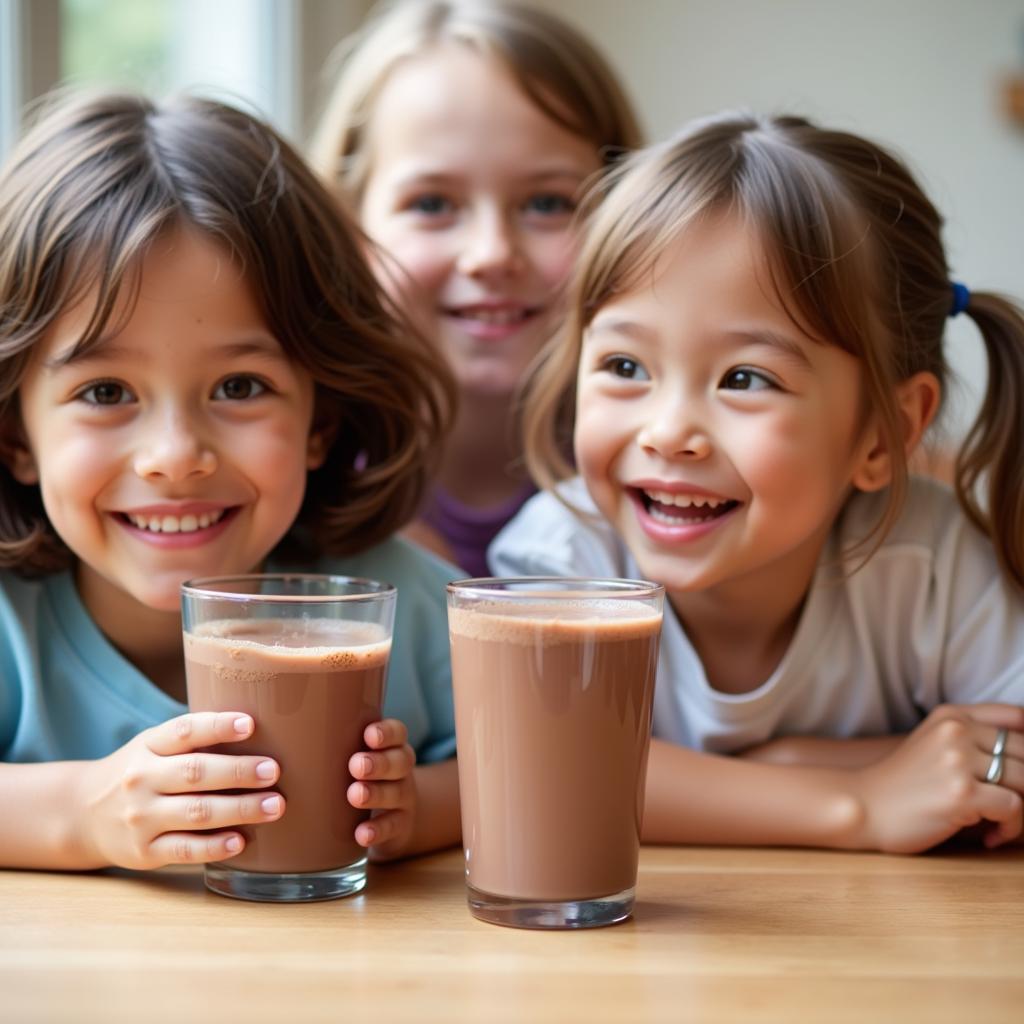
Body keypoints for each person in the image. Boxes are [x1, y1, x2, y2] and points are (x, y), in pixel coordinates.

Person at [491, 111, 1024, 853]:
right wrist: (854, 797)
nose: (669, 430)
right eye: (625, 367)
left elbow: (1005, 762)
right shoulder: (560, 561)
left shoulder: (932, 565)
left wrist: (772, 766)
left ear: (884, 433)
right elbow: (533, 772)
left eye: (745, 378)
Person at [0, 90, 462, 871]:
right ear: (18, 437)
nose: (175, 456)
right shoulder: (14, 624)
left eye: (240, 388)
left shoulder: (396, 608)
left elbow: (553, 763)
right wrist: (80, 815)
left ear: (321, 420)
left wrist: (421, 807)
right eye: (106, 393)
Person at [309, 0, 642, 575]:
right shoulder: (301, 478)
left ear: (629, 218)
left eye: (547, 204)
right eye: (433, 204)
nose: (491, 254)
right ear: (350, 227)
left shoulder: (665, 474)